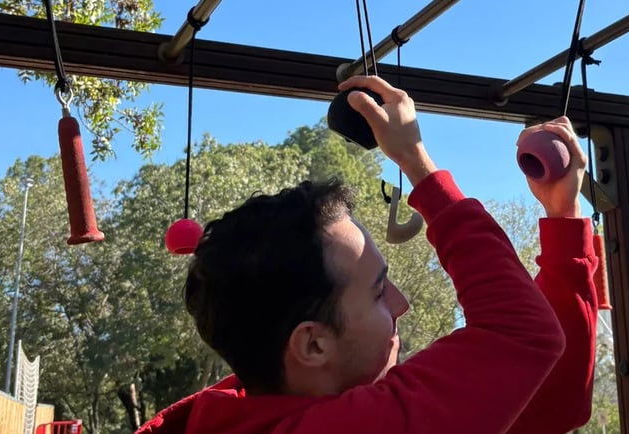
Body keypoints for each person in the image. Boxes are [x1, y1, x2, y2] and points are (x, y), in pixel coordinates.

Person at [136, 75, 601, 434]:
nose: (402, 304)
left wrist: (564, 218)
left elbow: (548, 400)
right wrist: (417, 164)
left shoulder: (258, 407)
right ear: (312, 344)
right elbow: (523, 335)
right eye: (379, 293)